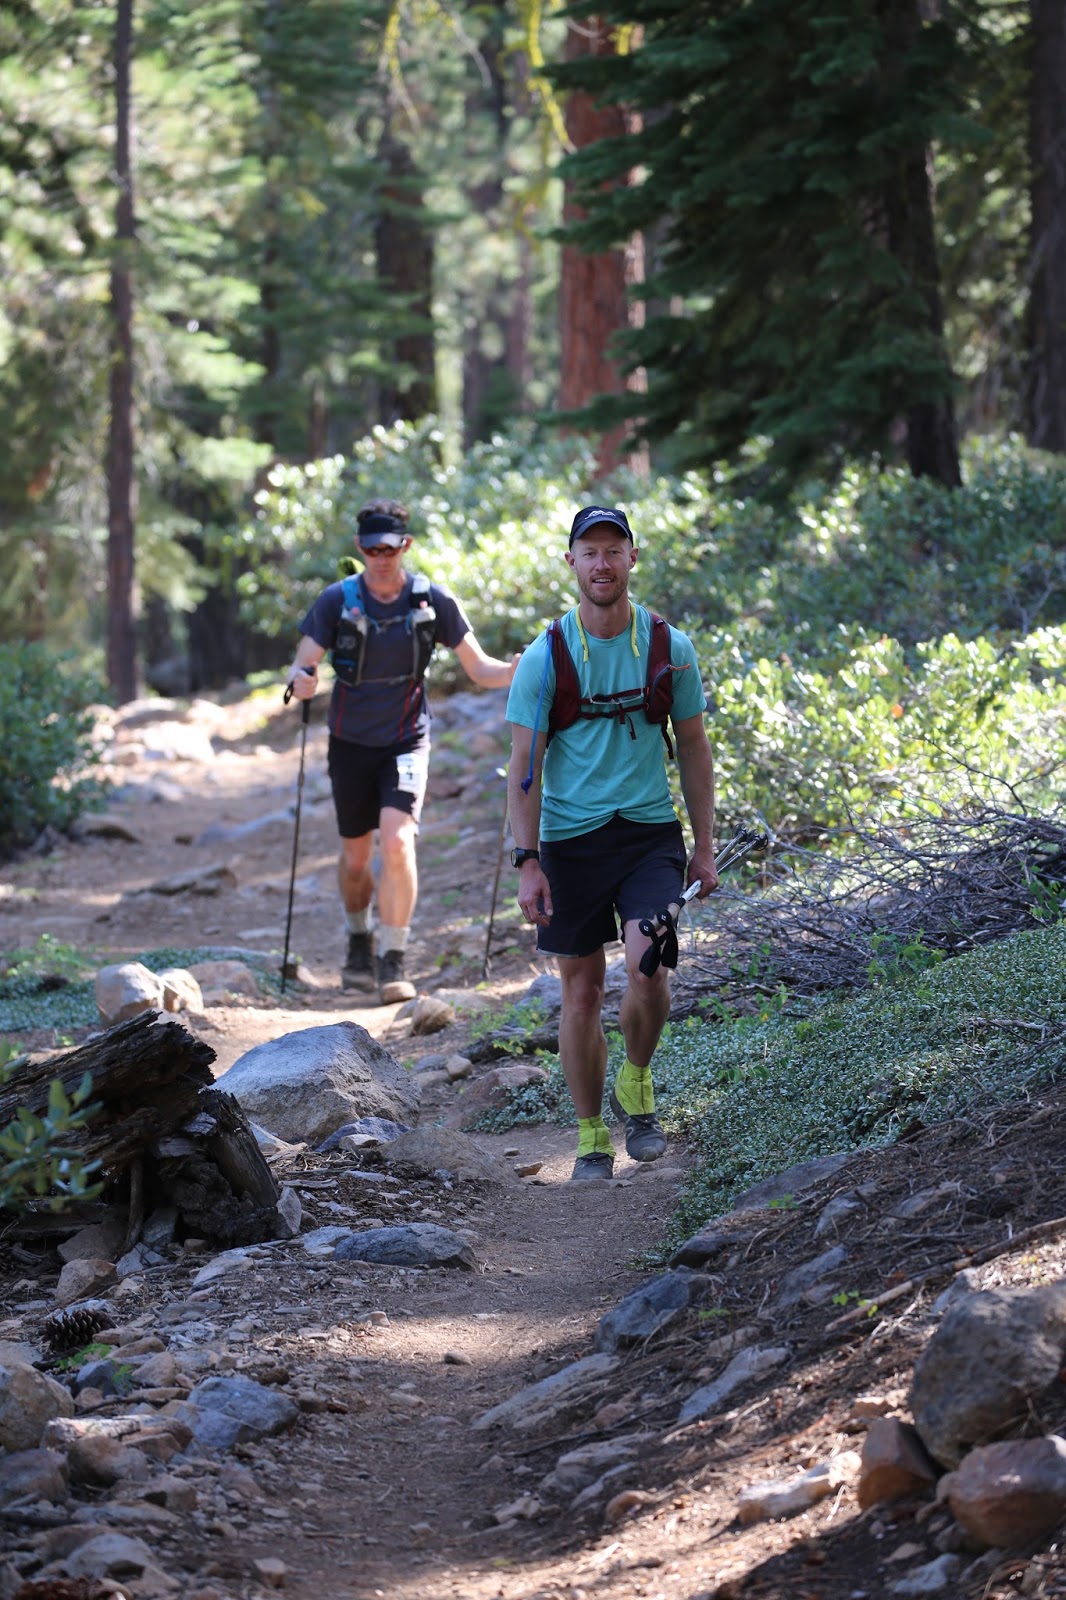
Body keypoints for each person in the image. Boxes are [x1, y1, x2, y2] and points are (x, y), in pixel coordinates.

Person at [506, 505, 718, 1181]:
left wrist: (704, 846)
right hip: (569, 842)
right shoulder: (546, 657)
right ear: (571, 562)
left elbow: (692, 746)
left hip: (649, 834)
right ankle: (592, 1133)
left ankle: (637, 1079)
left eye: (614, 550)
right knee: (580, 993)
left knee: (651, 965)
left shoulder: (667, 645)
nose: (602, 563)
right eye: (589, 552)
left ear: (633, 559)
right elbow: (523, 769)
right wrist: (527, 861)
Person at [287, 498, 518, 1004]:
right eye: (371, 548)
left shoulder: (431, 601)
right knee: (354, 860)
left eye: (389, 547)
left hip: (407, 739)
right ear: (360, 548)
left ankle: (394, 958)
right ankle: (357, 940)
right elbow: (304, 663)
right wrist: (300, 682)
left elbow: (480, 670)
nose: (381, 556)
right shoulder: (336, 601)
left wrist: (521, 668)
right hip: (349, 742)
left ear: (405, 546)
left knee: (397, 842)